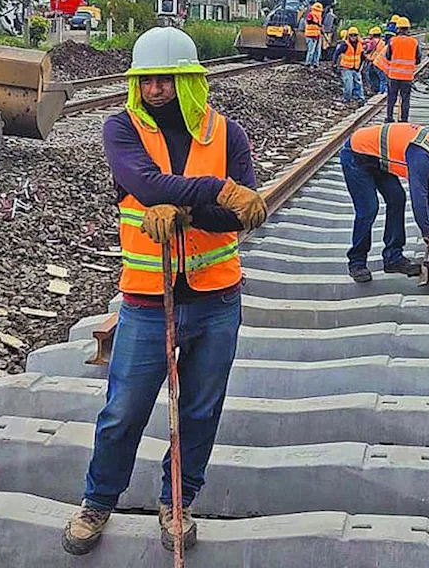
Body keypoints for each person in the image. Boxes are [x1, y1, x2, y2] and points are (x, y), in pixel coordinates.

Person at [65, 27, 268, 556]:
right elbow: (145, 184)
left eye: (167, 79)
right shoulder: (121, 128)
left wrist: (188, 209)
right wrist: (211, 191)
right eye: (147, 80)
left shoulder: (229, 135)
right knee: (124, 410)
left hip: (217, 298)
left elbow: (237, 216)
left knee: (200, 411)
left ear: (189, 81)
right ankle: (98, 501)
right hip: (147, 301)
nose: (155, 88)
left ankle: (178, 501)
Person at [340, 123, 429, 283]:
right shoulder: (421, 156)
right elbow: (418, 196)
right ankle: (357, 261)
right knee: (368, 208)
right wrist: (428, 233)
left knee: (397, 198)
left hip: (377, 159)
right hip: (356, 155)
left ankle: (393, 257)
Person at [383, 16, 420, 123]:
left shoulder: (392, 41)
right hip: (407, 77)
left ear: (398, 29)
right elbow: (418, 59)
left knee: (391, 98)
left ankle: (389, 118)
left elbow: (388, 56)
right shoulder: (414, 42)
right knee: (405, 99)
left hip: (393, 75)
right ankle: (404, 119)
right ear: (408, 29)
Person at [335, 27, 365, 106]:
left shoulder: (360, 45)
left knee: (358, 83)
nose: (353, 37)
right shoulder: (345, 44)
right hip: (346, 67)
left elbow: (362, 56)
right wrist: (334, 64)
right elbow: (336, 53)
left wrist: (360, 67)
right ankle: (347, 98)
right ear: (348, 36)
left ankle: (360, 98)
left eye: (355, 35)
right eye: (351, 35)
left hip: (356, 68)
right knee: (348, 84)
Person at [362, 26, 384, 95]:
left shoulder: (372, 42)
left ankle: (375, 90)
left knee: (372, 76)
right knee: (381, 78)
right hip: (380, 63)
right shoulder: (382, 42)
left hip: (372, 61)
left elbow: (367, 49)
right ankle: (381, 92)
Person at [303, 2, 325, 67]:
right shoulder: (311, 15)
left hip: (317, 35)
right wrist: (318, 24)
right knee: (311, 50)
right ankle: (308, 63)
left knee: (317, 51)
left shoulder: (319, 16)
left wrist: (320, 27)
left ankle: (315, 63)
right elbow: (309, 21)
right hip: (311, 35)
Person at [373, 29, 394, 94]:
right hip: (380, 65)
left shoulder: (390, 45)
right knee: (383, 80)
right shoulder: (392, 47)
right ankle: (382, 93)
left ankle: (383, 91)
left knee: (383, 80)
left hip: (378, 64)